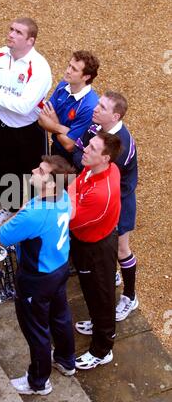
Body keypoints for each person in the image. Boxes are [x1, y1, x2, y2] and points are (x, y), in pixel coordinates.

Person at [0, 155, 75, 395]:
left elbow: (1, 237)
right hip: (59, 267)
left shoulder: (34, 214)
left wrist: (24, 209)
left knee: (36, 330)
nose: (33, 170)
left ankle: (38, 382)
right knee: (60, 316)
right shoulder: (63, 197)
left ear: (51, 183)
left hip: (36, 278)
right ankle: (66, 360)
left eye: (40, 170)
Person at [0, 17, 52, 230]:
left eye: (18, 32)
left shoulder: (39, 68)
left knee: (34, 174)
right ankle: (8, 208)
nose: (11, 34)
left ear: (31, 40)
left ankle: (37, 217)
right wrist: (10, 100)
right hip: (0, 125)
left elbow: (24, 107)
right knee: (0, 169)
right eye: (11, 30)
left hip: (29, 130)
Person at [72, 91, 138, 321]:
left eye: (102, 107)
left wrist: (84, 162)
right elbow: (77, 152)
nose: (95, 108)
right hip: (97, 193)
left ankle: (130, 297)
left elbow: (92, 167)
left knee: (121, 249)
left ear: (115, 115)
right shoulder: (96, 127)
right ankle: (112, 278)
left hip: (119, 202)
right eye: (98, 104)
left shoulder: (122, 144)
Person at [69, 131, 122, 370]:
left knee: (102, 297)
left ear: (106, 158)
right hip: (88, 241)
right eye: (89, 145)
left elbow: (71, 220)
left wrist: (71, 198)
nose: (85, 150)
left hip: (96, 249)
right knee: (91, 290)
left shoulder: (101, 194)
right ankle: (97, 322)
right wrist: (72, 196)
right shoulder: (94, 168)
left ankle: (102, 349)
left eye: (92, 149)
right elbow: (74, 186)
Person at [38, 50, 99, 164]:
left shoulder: (89, 107)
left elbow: (70, 145)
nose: (67, 71)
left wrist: (54, 124)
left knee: (62, 182)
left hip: (72, 160)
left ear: (86, 77)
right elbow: (42, 118)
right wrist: (63, 129)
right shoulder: (63, 85)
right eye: (69, 65)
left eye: (74, 69)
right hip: (56, 149)